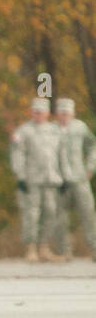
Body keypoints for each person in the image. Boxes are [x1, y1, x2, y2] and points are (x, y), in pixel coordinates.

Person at [11, 97, 64, 263]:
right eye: (35, 112)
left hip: (51, 178)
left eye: (41, 112)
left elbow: (61, 155)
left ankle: (44, 248)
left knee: (50, 212)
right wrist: (20, 176)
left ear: (47, 113)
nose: (38, 115)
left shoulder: (55, 131)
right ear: (31, 112)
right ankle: (31, 248)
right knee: (32, 214)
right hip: (31, 179)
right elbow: (17, 154)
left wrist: (64, 176)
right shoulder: (24, 131)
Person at [54, 98, 96, 261]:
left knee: (88, 214)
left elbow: (92, 145)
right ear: (57, 114)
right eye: (61, 113)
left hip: (80, 178)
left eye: (67, 113)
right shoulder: (50, 130)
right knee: (60, 217)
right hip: (60, 181)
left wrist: (91, 167)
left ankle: (94, 248)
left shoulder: (80, 128)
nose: (64, 116)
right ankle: (65, 251)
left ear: (72, 113)